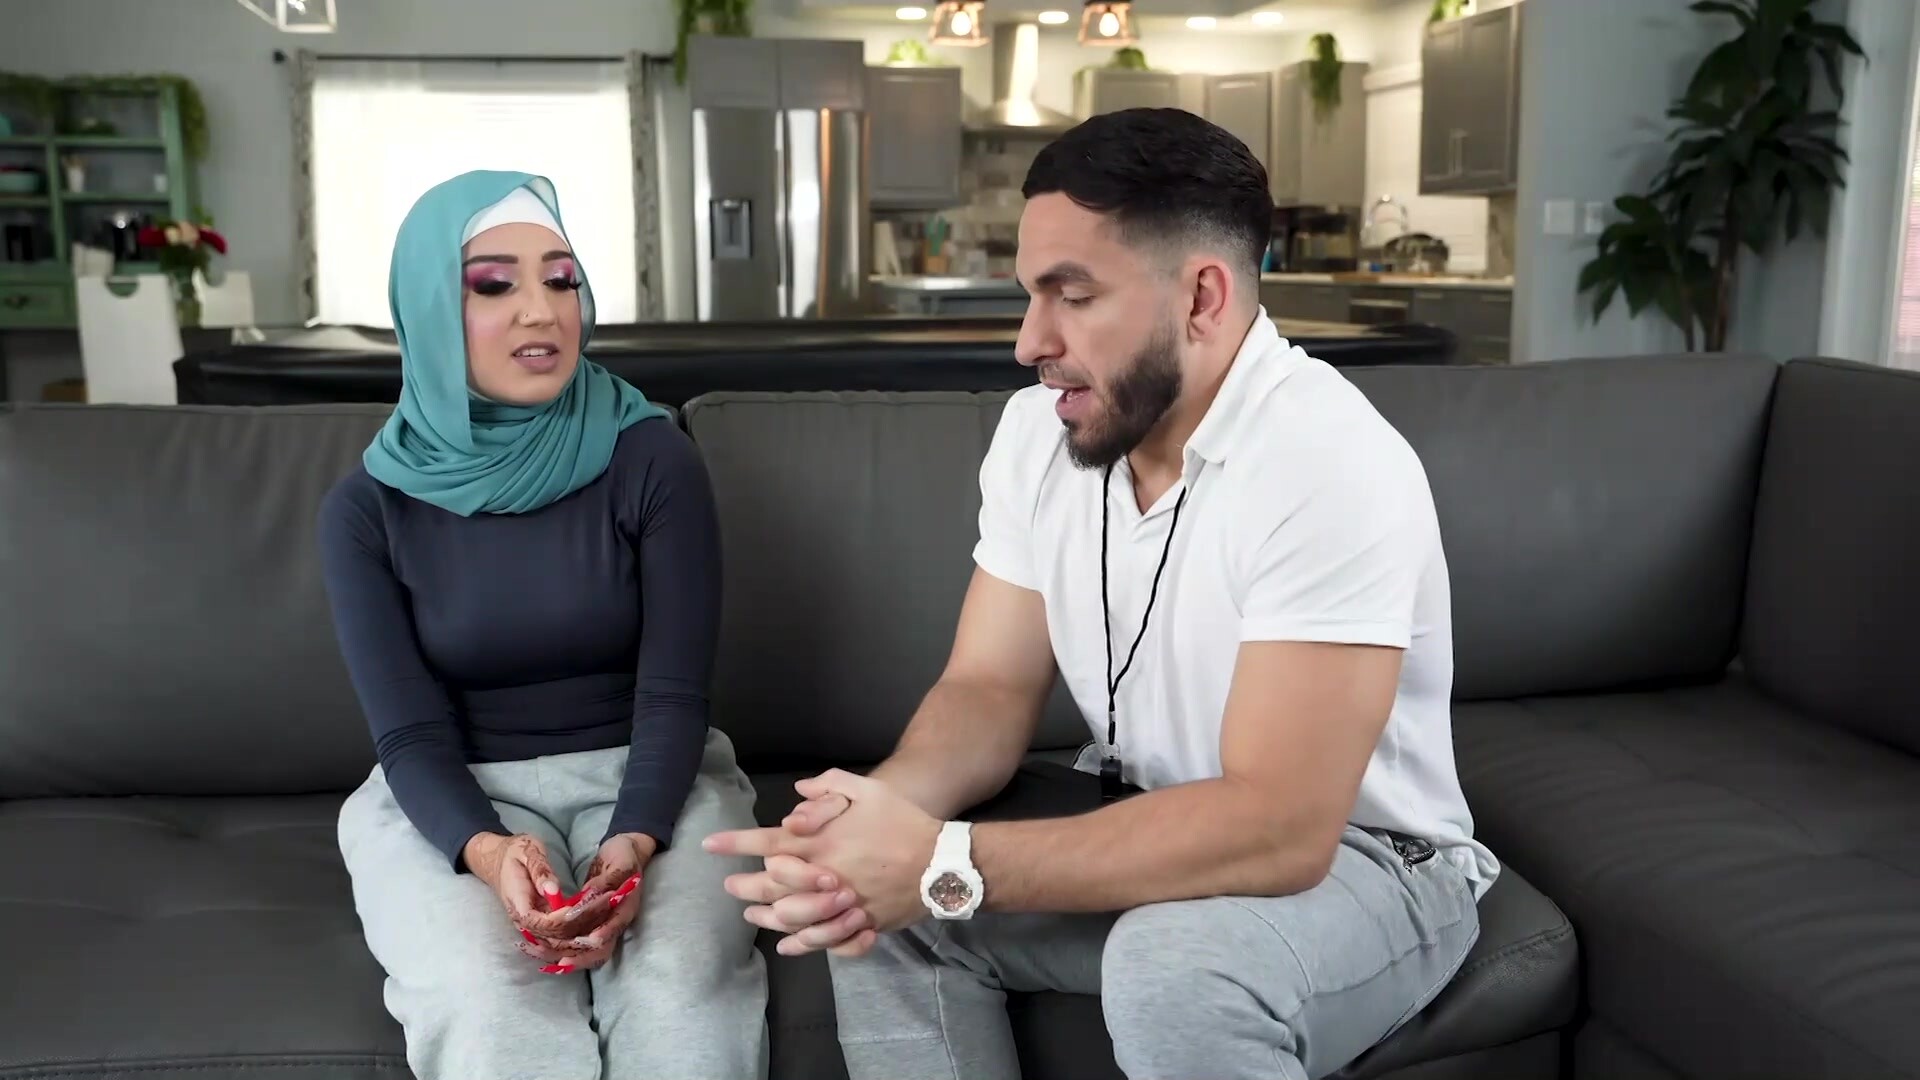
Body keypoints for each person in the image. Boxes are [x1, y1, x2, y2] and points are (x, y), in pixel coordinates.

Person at [704, 108, 1499, 1080]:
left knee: (1176, 967)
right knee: (873, 913)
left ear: (1202, 296)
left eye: (1072, 296)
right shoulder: (1039, 433)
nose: (1029, 342)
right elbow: (988, 688)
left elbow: (1282, 826)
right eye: (1029, 296)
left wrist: (945, 863)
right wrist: (881, 819)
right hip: (1161, 814)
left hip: (1366, 860)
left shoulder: (1327, 462)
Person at [319, 170, 766, 1080]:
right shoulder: (365, 510)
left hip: (652, 781)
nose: (541, 310)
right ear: (430, 311)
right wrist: (488, 854)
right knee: (490, 1000)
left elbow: (674, 692)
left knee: (678, 989)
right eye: (495, 285)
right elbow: (407, 732)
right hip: (452, 799)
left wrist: (634, 840)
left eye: (561, 279)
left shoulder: (653, 458)